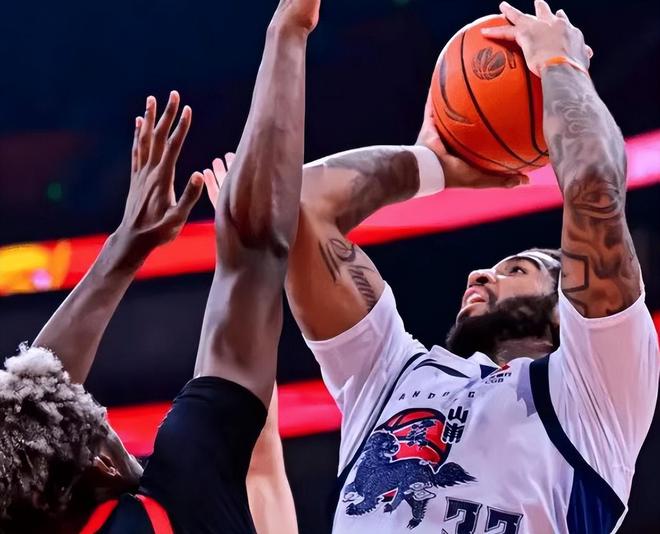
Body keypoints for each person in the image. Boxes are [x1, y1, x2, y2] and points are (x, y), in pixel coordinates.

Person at [279, 1, 659, 532]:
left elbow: (594, 186)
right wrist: (430, 164)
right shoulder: (387, 375)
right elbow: (297, 209)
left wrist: (559, 64)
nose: (479, 276)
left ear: (563, 310)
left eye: (517, 270)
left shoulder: (594, 394)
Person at [0, 0, 318, 529]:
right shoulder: (186, 485)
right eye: (106, 429)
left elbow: (22, 424)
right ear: (103, 466)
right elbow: (259, 252)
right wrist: (288, 30)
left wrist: (123, 251)